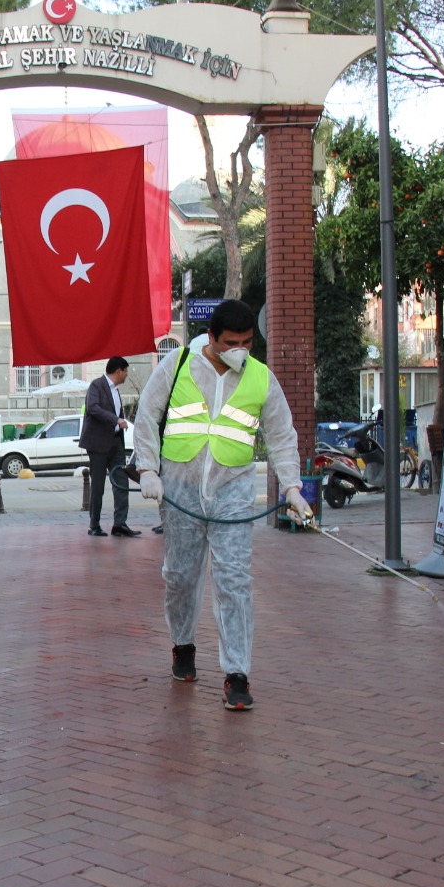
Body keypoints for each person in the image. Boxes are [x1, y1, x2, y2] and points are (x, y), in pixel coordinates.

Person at [131, 299, 312, 711]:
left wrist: (292, 488)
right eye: (232, 342)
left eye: (248, 342)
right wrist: (148, 470)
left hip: (233, 490)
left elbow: (282, 436)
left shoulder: (261, 378)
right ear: (211, 338)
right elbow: (146, 415)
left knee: (234, 579)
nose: (240, 351)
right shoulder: (177, 365)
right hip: (180, 489)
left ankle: (236, 674)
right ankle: (183, 645)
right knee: (180, 575)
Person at [78, 356, 139, 538]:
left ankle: (120, 524)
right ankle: (94, 525)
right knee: (98, 486)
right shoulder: (97, 386)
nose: (127, 375)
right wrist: (116, 419)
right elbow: (93, 408)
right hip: (97, 444)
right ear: (119, 370)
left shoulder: (116, 391)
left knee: (121, 482)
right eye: (126, 371)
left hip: (115, 443)